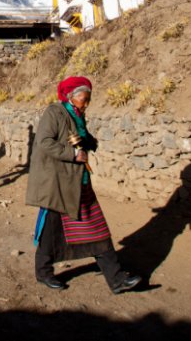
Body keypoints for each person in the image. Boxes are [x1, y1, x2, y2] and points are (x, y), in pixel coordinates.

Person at [25, 76, 141, 294]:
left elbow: (81, 137)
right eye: (83, 98)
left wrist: (89, 142)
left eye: (88, 99)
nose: (86, 103)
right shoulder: (54, 113)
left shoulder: (77, 115)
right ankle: (43, 272)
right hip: (58, 184)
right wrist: (73, 154)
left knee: (98, 228)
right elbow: (44, 142)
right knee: (51, 230)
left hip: (79, 184)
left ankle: (116, 279)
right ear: (70, 96)